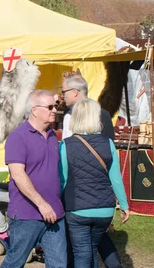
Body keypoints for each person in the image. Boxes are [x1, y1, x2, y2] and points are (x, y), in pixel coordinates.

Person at [60, 98, 129, 268]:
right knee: (91, 248)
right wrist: (125, 205)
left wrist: (56, 204)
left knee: (82, 254)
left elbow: (63, 180)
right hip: (105, 209)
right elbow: (116, 179)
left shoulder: (66, 145)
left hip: (77, 208)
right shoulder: (108, 143)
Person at [0, 89, 66, 268]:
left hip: (55, 213)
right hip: (26, 214)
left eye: (56, 105)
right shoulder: (17, 137)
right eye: (50, 106)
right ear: (34, 110)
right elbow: (18, 175)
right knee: (15, 262)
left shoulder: (53, 136)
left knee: (59, 264)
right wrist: (41, 204)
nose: (55, 110)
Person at [62, 74, 114, 140]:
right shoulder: (104, 114)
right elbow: (110, 144)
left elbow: (67, 147)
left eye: (64, 92)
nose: (62, 95)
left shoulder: (70, 116)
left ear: (75, 92)